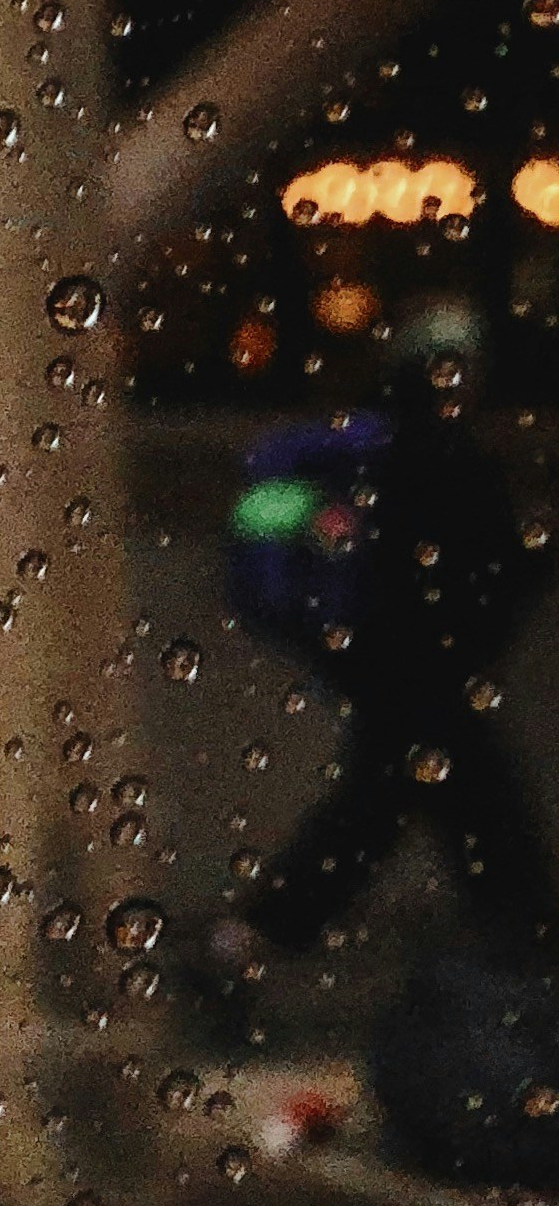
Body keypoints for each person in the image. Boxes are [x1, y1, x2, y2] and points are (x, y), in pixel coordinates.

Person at [205, 298, 556, 1005]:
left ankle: (245, 943)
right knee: (432, 812)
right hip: (422, 674)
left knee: (389, 809)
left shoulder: (404, 452)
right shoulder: (430, 458)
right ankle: (528, 952)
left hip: (403, 672)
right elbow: (468, 571)